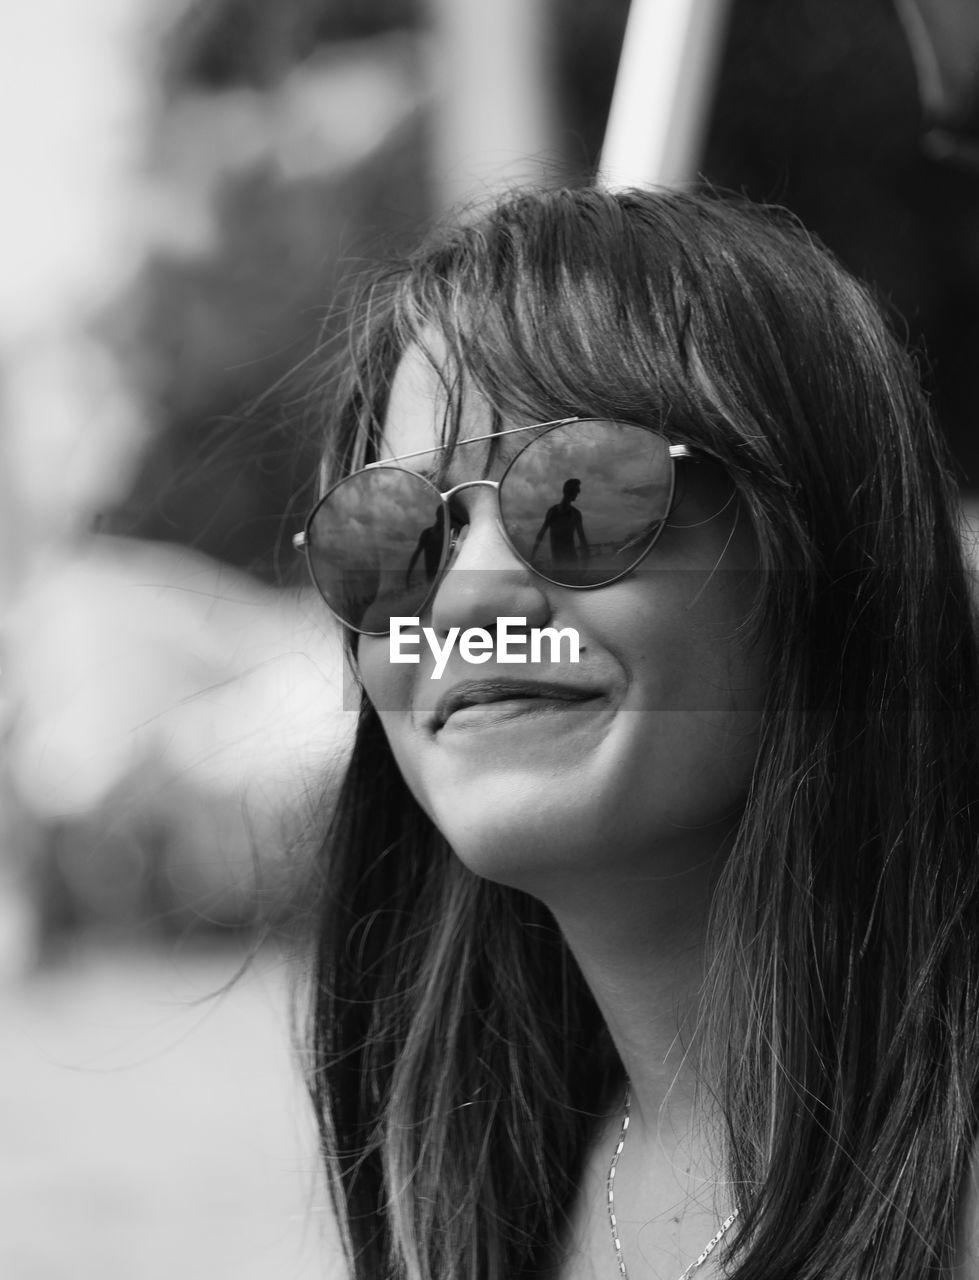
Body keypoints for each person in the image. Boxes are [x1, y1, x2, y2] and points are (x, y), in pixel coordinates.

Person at [295, 187, 979, 1280]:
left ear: (824, 558)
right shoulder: (497, 1182)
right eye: (394, 533)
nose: (468, 598)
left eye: (580, 487)